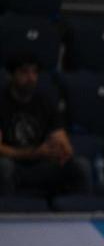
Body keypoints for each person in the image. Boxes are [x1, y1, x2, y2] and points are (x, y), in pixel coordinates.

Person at [0, 54, 91, 197]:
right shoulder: (2, 102)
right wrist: (33, 153)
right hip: (15, 165)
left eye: (34, 72)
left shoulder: (45, 102)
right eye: (24, 72)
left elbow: (60, 138)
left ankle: (78, 214)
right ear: (12, 75)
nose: (30, 78)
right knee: (4, 166)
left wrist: (62, 150)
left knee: (80, 166)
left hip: (42, 164)